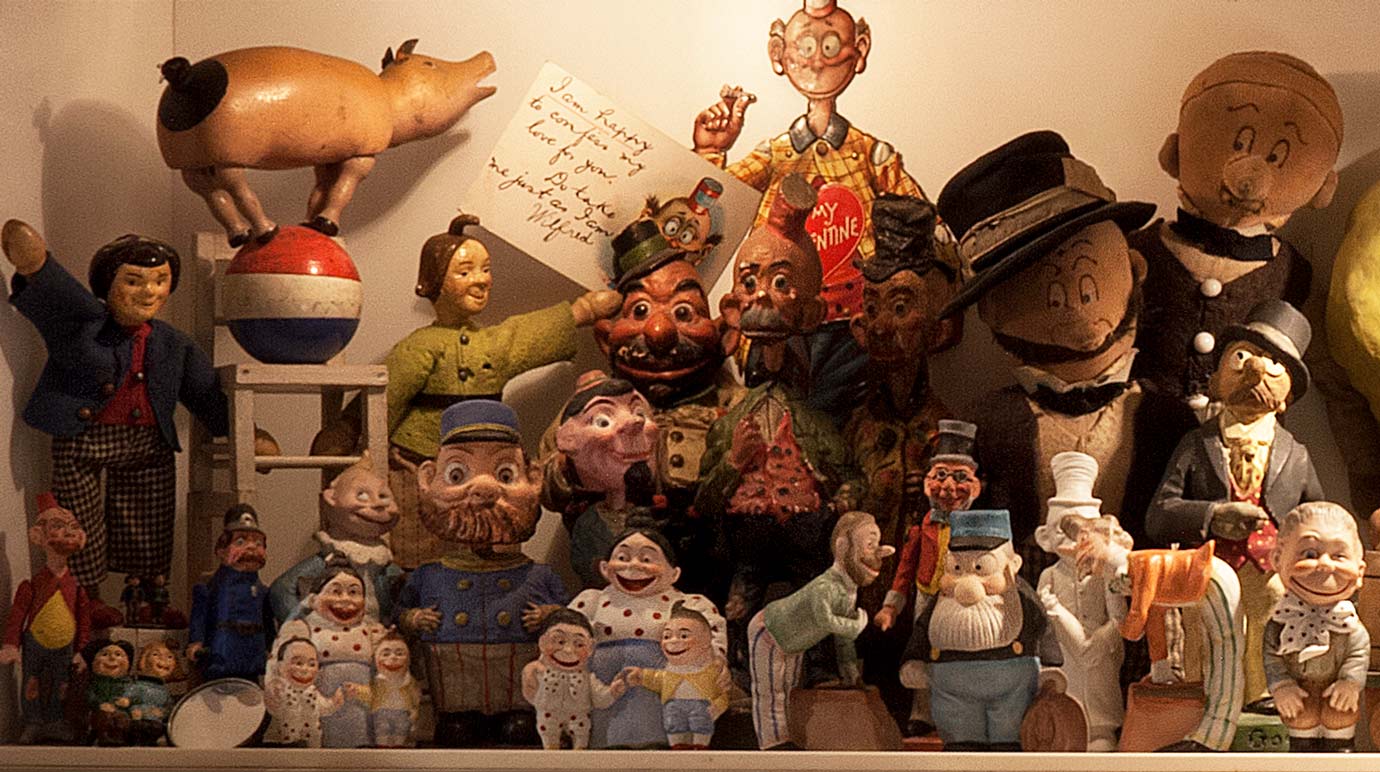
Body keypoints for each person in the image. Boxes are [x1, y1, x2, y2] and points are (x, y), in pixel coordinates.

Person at [692, 0, 958, 414]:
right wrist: (710, 152)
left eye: (830, 46)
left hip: (855, 322)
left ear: (860, 50)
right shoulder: (776, 154)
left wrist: (941, 300)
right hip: (782, 316)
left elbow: (928, 225)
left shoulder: (870, 154)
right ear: (778, 53)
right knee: (778, 407)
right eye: (805, 47)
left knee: (855, 411)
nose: (816, 60)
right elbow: (709, 212)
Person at [1, 221, 236, 623]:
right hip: (83, 438)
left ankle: (148, 598)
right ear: (107, 285)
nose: (149, 292)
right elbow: (61, 294)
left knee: (150, 517)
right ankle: (85, 598)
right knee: (78, 519)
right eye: (133, 281)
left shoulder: (173, 343)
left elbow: (203, 392)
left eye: (160, 281)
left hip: (149, 444)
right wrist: (35, 265)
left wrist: (235, 430)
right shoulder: (83, 323)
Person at [1148, 299, 1324, 709]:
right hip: (1208, 568)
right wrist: (1211, 516)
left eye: (1274, 365)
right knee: (1206, 622)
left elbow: (1318, 519)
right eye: (1241, 357)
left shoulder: (1296, 455)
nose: (1255, 370)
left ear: (1287, 397)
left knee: (1273, 611)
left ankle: (1263, 693)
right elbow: (1159, 515)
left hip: (1269, 570)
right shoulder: (1196, 444)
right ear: (1215, 381)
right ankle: (1209, 695)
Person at [748, 510, 894, 750]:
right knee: (772, 690)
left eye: (877, 545)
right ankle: (773, 742)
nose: (877, 553)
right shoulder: (825, 586)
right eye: (869, 545)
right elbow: (826, 621)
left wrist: (851, 676)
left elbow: (842, 638)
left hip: (794, 640)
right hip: (769, 630)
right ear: (843, 547)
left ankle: (786, 737)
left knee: (789, 688)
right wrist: (857, 625)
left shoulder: (849, 591)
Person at [1265, 501, 1369, 752]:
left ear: (1360, 571)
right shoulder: (1280, 622)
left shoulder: (1348, 624)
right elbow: (1272, 657)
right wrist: (1282, 687)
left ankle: (1341, 751)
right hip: (1299, 692)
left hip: (1336, 692)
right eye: (1309, 554)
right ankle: (1302, 752)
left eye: (1339, 556)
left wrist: (1350, 683)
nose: (1325, 565)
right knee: (1301, 716)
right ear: (1277, 560)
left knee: (1339, 715)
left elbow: (1358, 652)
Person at [0, 493, 91, 744]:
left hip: (65, 646)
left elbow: (84, 620)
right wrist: (11, 644)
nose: (68, 533)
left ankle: (55, 721)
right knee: (32, 683)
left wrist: (81, 650)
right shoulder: (31, 586)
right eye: (58, 526)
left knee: (62, 685)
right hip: (35, 643)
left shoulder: (77, 588)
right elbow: (18, 615)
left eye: (72, 527)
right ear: (39, 535)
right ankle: (33, 722)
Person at [187, 504, 275, 681]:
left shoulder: (263, 592)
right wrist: (196, 642)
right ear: (221, 550)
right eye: (240, 542)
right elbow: (200, 617)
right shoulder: (210, 588)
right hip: (221, 654)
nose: (251, 548)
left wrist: (271, 646)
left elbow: (267, 622)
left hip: (253, 657)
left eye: (258, 543)